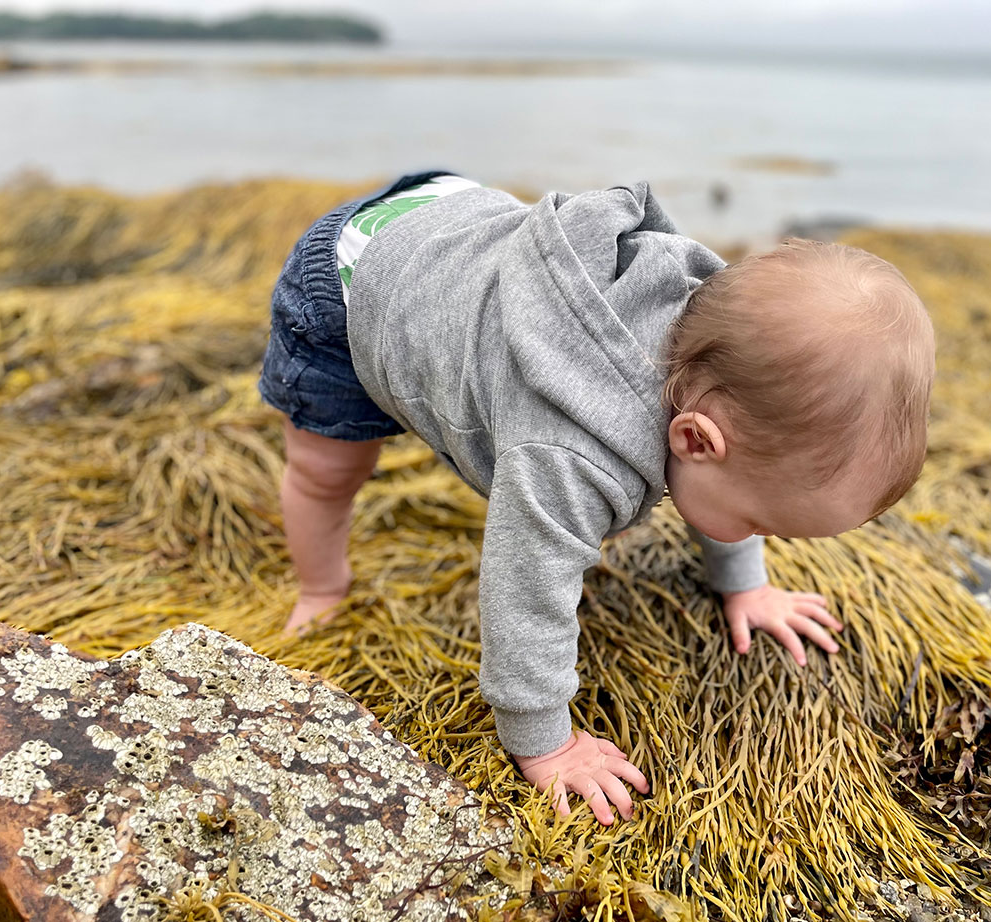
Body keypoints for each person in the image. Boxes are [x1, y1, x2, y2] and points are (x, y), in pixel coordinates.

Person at [257, 169, 935, 826]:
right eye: (759, 522)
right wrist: (545, 743)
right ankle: (321, 590)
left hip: (451, 207)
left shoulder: (716, 351)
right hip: (352, 284)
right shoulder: (571, 452)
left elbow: (747, 466)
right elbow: (525, 588)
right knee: (326, 471)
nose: (756, 533)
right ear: (694, 440)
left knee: (749, 455)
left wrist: (746, 586)